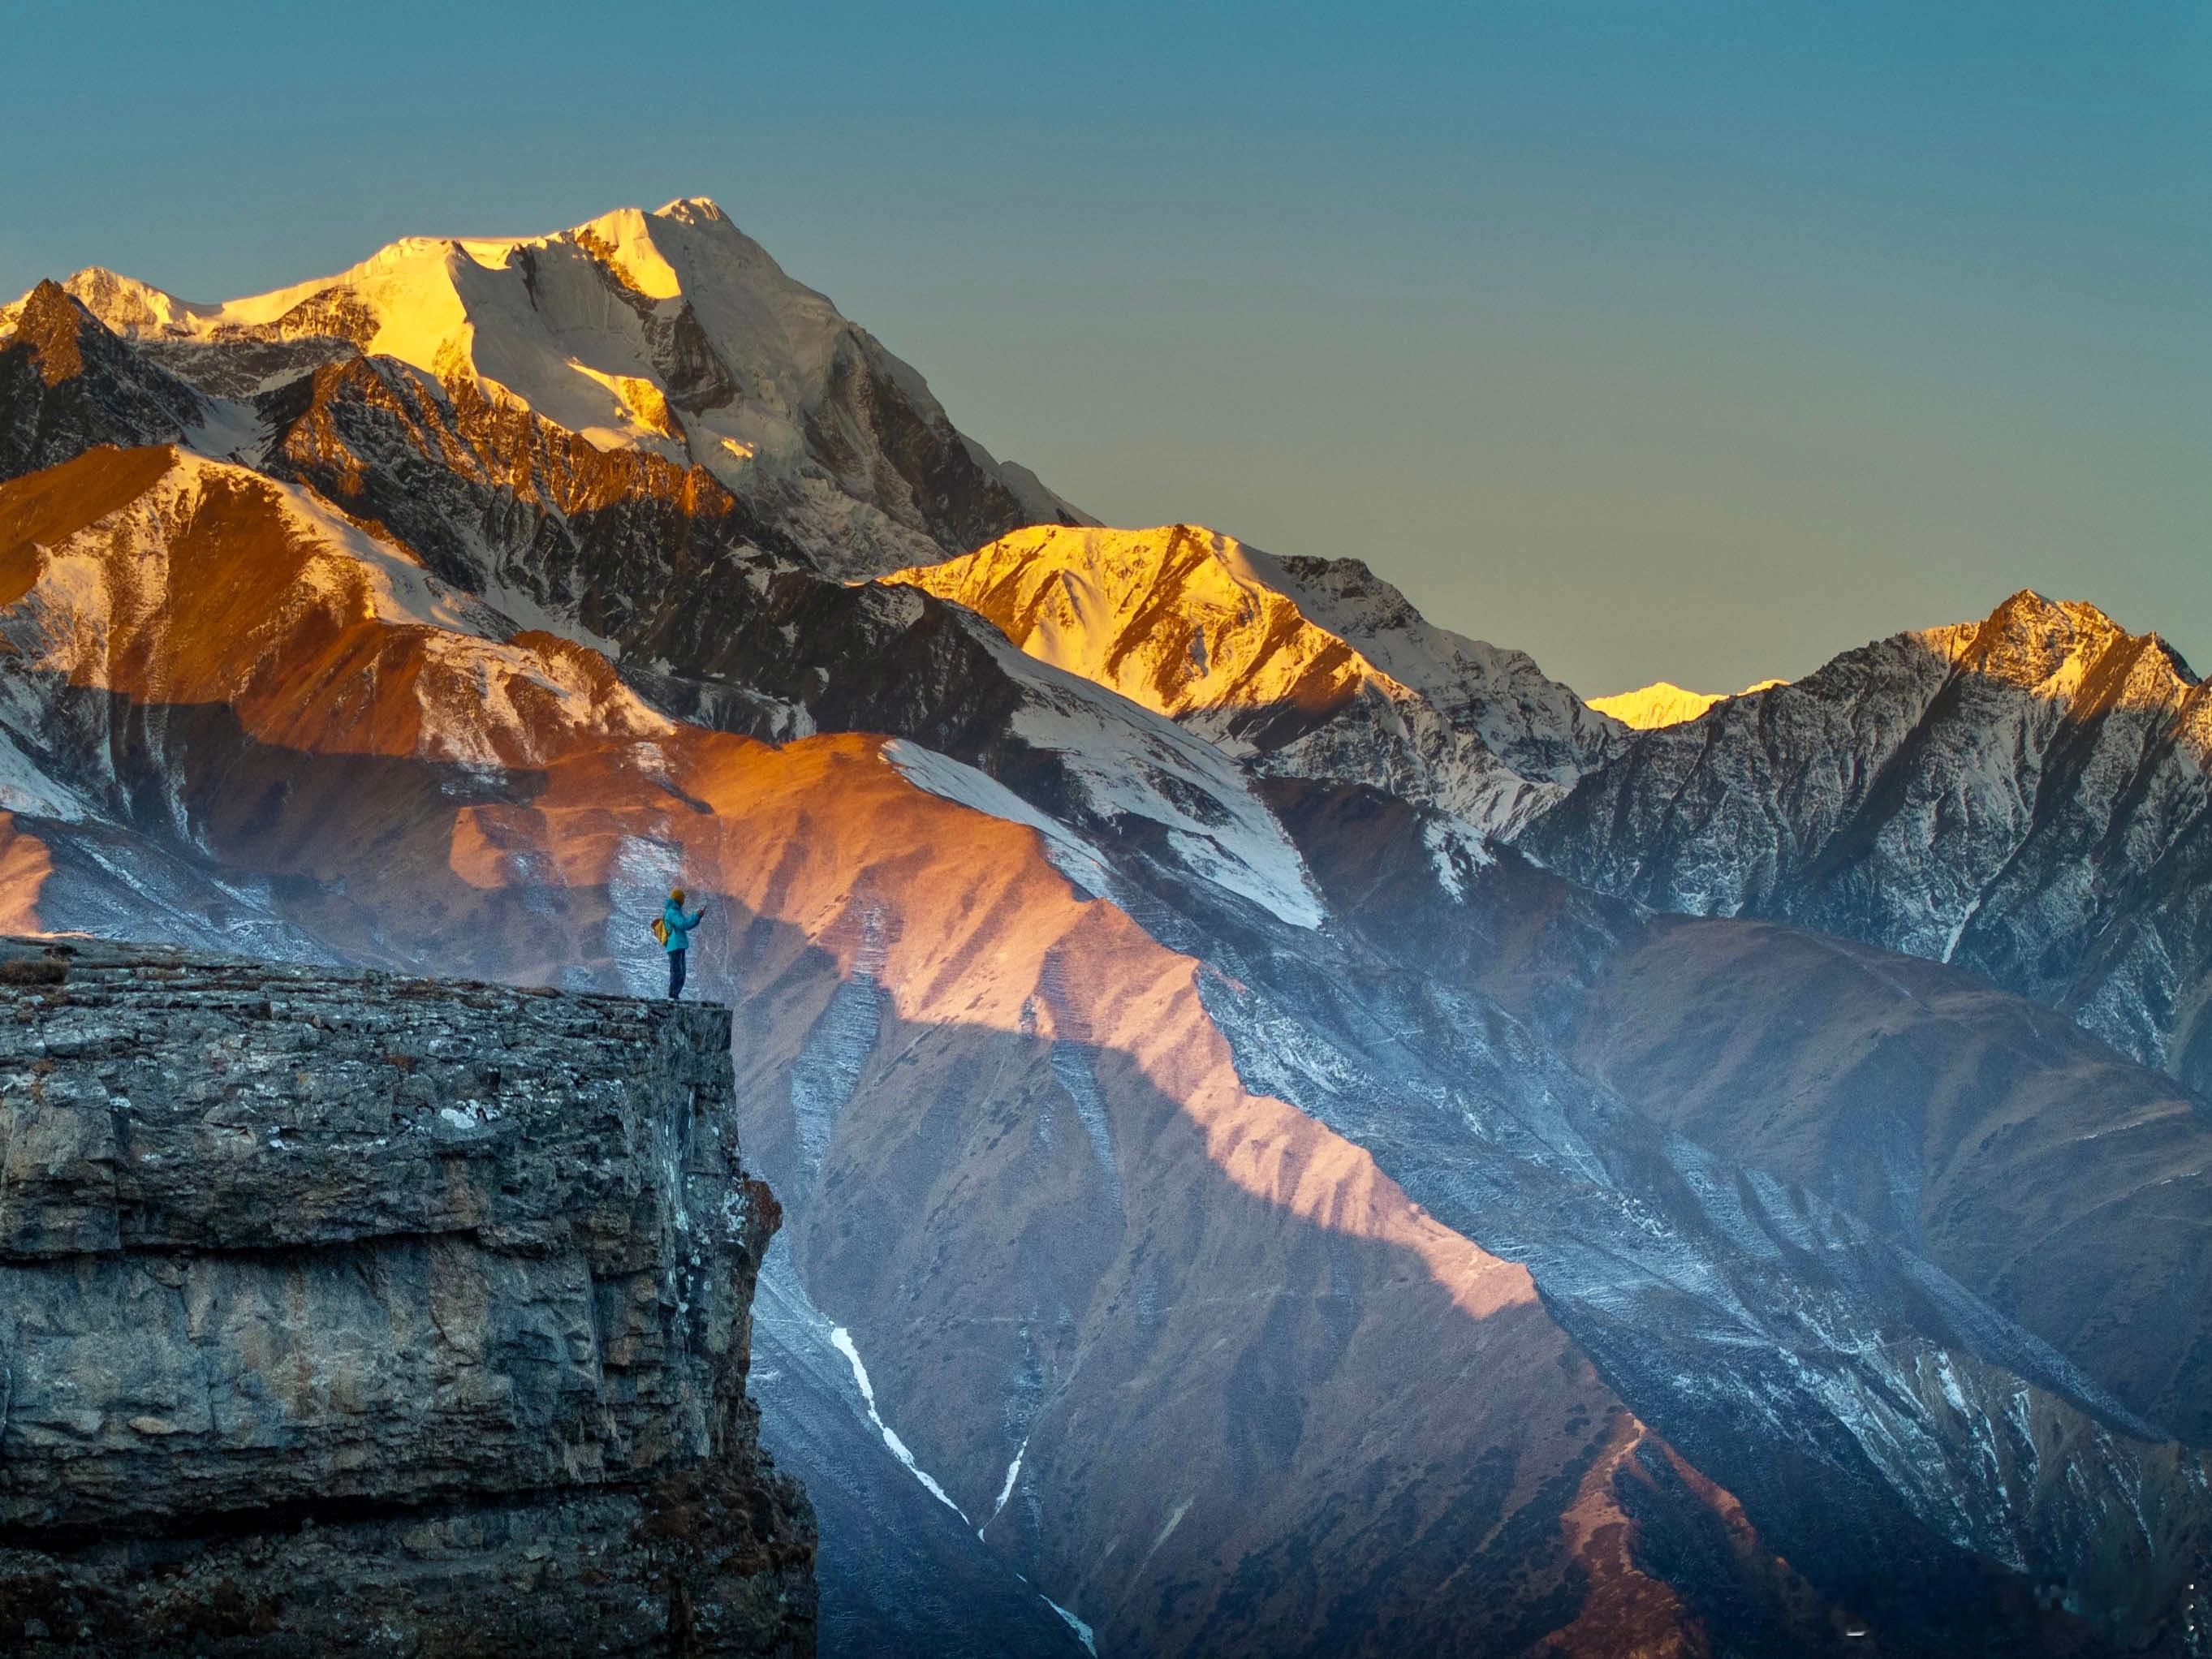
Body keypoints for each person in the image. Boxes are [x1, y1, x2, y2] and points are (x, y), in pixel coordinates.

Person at [662, 887, 705, 1000]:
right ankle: (673, 995)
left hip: (678, 945)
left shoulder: (674, 911)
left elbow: (684, 925)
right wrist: (696, 916)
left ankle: (675, 995)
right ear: (680, 900)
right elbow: (683, 924)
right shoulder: (672, 912)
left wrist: (697, 917)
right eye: (683, 900)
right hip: (675, 945)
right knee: (677, 971)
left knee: (680, 971)